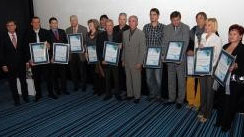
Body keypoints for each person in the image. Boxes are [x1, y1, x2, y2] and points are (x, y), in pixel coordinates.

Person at [215, 24, 244, 132]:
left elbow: (242, 67)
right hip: (222, 78)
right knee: (221, 100)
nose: (231, 36)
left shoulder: (242, 49)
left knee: (231, 102)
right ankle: (219, 120)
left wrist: (237, 66)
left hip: (234, 81)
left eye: (234, 34)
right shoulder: (225, 46)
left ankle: (226, 124)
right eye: (230, 34)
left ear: (240, 36)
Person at [25, 16, 58, 101]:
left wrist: (49, 47)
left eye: (38, 22)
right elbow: (25, 48)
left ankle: (51, 93)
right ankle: (38, 95)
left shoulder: (46, 32)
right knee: (36, 78)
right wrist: (29, 59)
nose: (36, 24)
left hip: (45, 60)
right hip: (34, 61)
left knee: (48, 78)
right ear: (31, 23)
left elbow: (50, 45)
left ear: (40, 23)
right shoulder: (27, 34)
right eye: (34, 22)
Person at [196, 18, 222, 123]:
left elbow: (217, 56)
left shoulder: (217, 39)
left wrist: (210, 68)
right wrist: (200, 47)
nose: (206, 27)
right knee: (203, 90)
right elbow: (200, 49)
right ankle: (202, 109)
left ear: (214, 26)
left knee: (209, 92)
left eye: (209, 25)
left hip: (211, 68)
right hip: (202, 67)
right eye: (206, 25)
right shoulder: (202, 36)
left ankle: (207, 113)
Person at [163, 11, 190, 109]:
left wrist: (179, 56)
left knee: (181, 80)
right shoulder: (166, 28)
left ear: (180, 18)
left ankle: (180, 100)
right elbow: (164, 43)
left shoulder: (185, 28)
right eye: (174, 20)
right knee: (171, 80)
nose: (176, 22)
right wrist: (165, 56)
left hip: (180, 59)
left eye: (177, 20)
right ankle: (171, 98)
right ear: (171, 20)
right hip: (169, 59)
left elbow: (185, 43)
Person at [0, 20, 29, 106]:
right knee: (13, 83)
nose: (10, 27)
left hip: (21, 63)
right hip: (10, 65)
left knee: (23, 81)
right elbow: (1, 52)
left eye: (12, 25)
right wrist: (3, 64)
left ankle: (25, 97)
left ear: (15, 26)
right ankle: (16, 100)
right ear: (7, 27)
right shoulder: (3, 37)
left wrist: (27, 61)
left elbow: (25, 49)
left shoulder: (21, 35)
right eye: (8, 25)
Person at [122, 15, 146, 103]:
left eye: (133, 21)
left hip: (136, 61)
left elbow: (142, 49)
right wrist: (123, 59)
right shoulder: (125, 33)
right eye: (130, 21)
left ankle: (137, 96)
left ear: (137, 22)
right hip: (127, 60)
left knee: (136, 79)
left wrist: (140, 62)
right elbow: (124, 47)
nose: (131, 23)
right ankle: (129, 94)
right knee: (128, 79)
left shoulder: (141, 33)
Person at [96, 19, 122, 101]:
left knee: (116, 79)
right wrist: (101, 60)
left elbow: (121, 47)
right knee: (107, 79)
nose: (108, 27)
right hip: (105, 61)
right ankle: (108, 94)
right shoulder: (101, 36)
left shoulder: (118, 35)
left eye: (110, 25)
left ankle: (117, 94)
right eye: (107, 26)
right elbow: (98, 49)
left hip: (115, 62)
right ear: (105, 27)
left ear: (113, 26)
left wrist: (121, 47)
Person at [186, 12, 207, 108]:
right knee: (190, 80)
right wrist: (188, 50)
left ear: (205, 20)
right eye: (197, 18)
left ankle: (197, 103)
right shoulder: (193, 30)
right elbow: (189, 42)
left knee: (200, 82)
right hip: (192, 59)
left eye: (201, 18)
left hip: (203, 60)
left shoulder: (209, 29)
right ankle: (190, 101)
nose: (199, 20)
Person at [143, 8, 165, 101]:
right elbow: (143, 42)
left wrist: (163, 55)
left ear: (158, 16)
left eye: (154, 14)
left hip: (158, 57)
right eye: (151, 14)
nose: (152, 16)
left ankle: (158, 95)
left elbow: (164, 42)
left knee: (158, 79)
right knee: (148, 78)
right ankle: (152, 94)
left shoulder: (163, 27)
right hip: (148, 57)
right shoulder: (146, 27)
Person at [66, 15, 88, 92]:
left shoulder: (84, 29)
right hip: (72, 54)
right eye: (71, 20)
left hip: (80, 54)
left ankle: (84, 85)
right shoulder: (67, 30)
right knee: (73, 71)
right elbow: (67, 43)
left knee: (82, 71)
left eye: (74, 20)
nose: (73, 22)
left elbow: (86, 42)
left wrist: (83, 48)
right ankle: (76, 85)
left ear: (77, 20)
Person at [48, 17, 69, 95]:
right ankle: (57, 90)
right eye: (53, 23)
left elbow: (66, 43)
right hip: (53, 58)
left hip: (62, 58)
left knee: (63, 74)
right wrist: (51, 57)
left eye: (56, 23)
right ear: (50, 24)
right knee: (54, 75)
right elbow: (47, 47)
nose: (55, 24)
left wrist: (66, 54)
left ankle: (64, 89)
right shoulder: (47, 33)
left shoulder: (62, 31)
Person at [113, 13, 130, 92]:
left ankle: (126, 90)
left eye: (123, 19)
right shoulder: (114, 28)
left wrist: (122, 45)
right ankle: (118, 89)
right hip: (114, 54)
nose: (122, 21)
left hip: (125, 54)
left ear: (126, 20)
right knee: (117, 73)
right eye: (120, 19)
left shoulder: (129, 28)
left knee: (125, 73)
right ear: (118, 19)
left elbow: (131, 42)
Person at [85, 19, 102, 95]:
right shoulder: (87, 34)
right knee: (93, 73)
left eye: (91, 24)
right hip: (90, 56)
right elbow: (86, 45)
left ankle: (100, 89)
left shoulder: (100, 33)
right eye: (89, 24)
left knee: (99, 73)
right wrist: (86, 53)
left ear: (95, 25)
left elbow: (101, 45)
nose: (89, 26)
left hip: (98, 57)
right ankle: (95, 88)